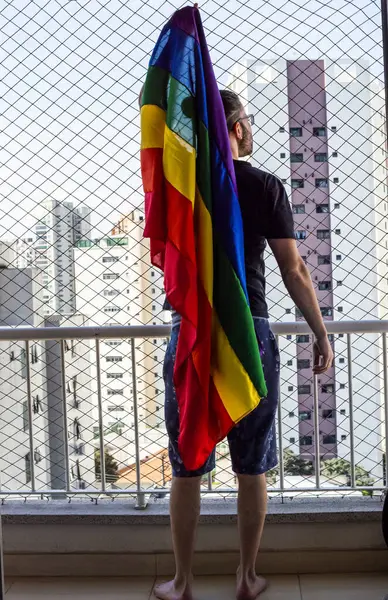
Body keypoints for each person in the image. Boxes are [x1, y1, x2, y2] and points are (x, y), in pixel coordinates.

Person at [154, 89, 334, 600]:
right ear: (235, 128)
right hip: (248, 332)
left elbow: (166, 261)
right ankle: (246, 577)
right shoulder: (262, 185)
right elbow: (293, 269)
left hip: (190, 332)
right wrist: (319, 331)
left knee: (187, 461)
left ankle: (183, 582)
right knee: (251, 462)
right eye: (247, 122)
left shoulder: (182, 188)